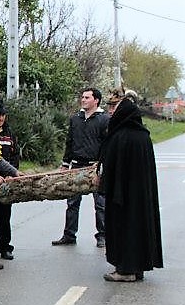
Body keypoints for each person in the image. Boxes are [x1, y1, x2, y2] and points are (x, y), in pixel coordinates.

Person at [97, 91, 163, 282]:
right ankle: (137, 267)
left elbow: (112, 167)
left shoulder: (120, 136)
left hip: (122, 197)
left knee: (124, 229)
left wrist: (102, 182)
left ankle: (125, 270)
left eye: (114, 108)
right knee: (139, 228)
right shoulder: (143, 136)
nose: (112, 112)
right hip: (141, 198)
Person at [52, 87, 109, 248]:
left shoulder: (104, 119)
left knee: (100, 203)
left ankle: (102, 236)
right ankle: (69, 235)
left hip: (95, 166)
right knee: (72, 202)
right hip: (76, 165)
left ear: (96, 100)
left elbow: (107, 144)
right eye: (82, 97)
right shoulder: (76, 118)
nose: (83, 100)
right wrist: (65, 163)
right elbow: (69, 142)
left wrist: (102, 163)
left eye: (87, 97)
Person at [0, 101, 20, 260]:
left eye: (1, 115)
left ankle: (5, 248)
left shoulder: (9, 133)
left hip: (5, 183)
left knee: (4, 218)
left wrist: (12, 174)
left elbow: (15, 156)